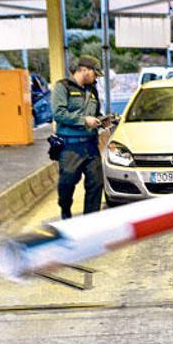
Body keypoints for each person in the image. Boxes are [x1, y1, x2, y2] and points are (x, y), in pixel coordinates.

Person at [51, 55, 105, 220]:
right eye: (94, 73)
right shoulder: (63, 87)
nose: (96, 77)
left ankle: (90, 221)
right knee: (67, 184)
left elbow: (95, 114)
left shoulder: (92, 90)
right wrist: (84, 120)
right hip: (70, 147)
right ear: (84, 70)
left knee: (96, 184)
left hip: (90, 145)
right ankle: (65, 211)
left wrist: (102, 121)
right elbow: (59, 114)